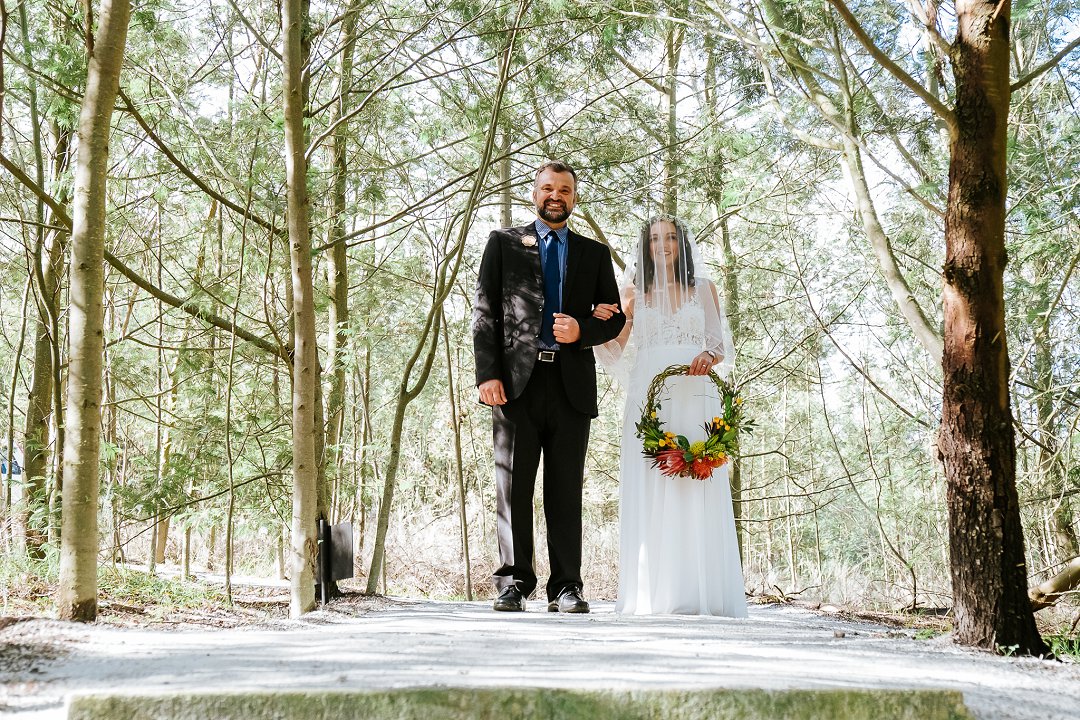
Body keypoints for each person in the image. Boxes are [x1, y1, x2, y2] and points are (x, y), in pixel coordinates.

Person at [473, 161, 626, 613]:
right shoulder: (503, 244)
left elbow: (614, 317)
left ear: (574, 197)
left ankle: (566, 586)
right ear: (534, 193)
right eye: (547, 188)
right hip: (515, 386)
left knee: (565, 490)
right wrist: (488, 374)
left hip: (571, 385)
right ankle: (514, 582)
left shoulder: (594, 254)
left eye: (564, 189)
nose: (555, 196)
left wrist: (582, 330)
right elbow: (484, 312)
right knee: (513, 487)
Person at [594, 216, 747, 616]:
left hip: (695, 395)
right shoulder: (632, 294)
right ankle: (654, 593)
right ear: (645, 247)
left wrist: (707, 356)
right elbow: (613, 349)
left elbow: (719, 347)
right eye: (654, 239)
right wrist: (595, 323)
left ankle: (703, 592)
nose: (662, 245)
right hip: (649, 396)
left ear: (682, 245)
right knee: (652, 482)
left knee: (694, 483)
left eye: (670, 238)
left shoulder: (705, 290)